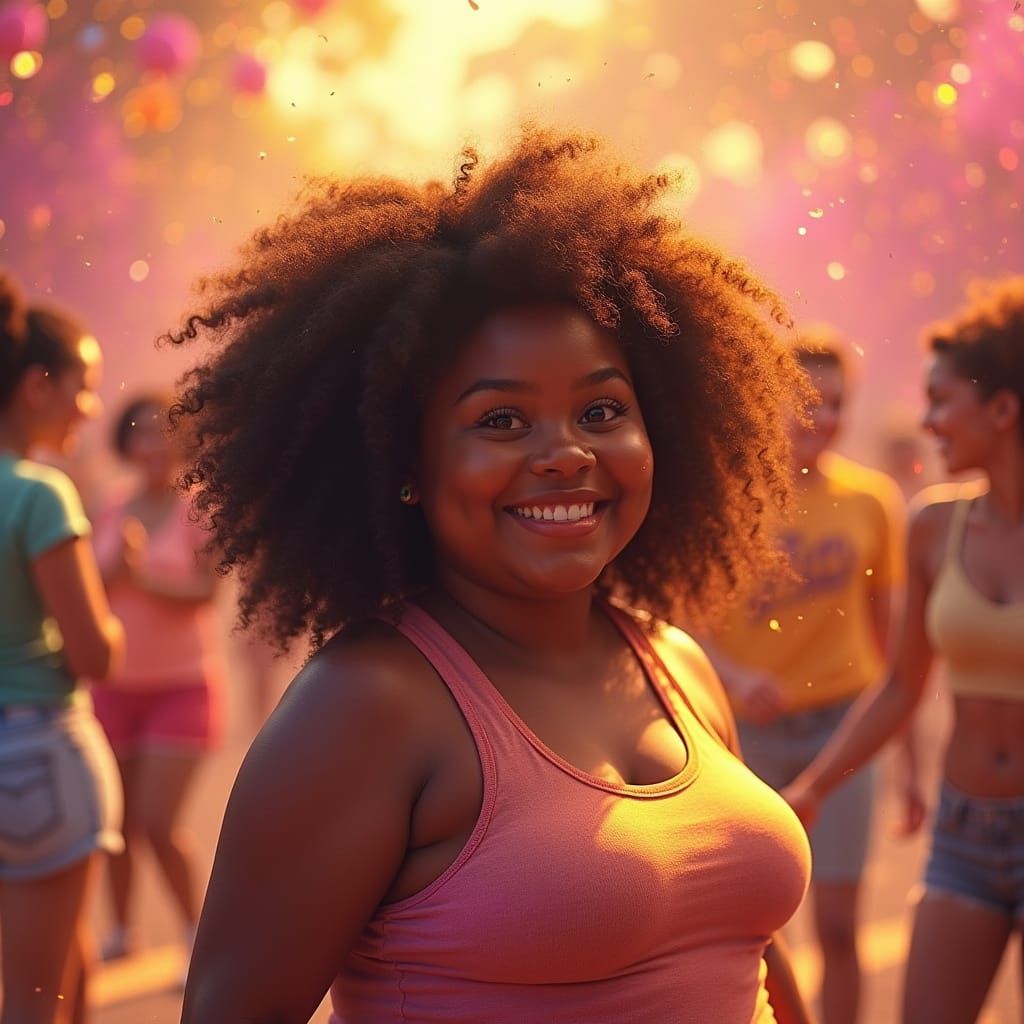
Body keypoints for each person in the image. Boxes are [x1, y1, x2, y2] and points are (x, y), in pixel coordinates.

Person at [172, 126, 815, 1024]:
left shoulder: (673, 661)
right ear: (404, 461)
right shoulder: (368, 705)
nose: (565, 455)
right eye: (502, 421)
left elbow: (745, 958)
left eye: (601, 409)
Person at [784, 277, 1024, 1024]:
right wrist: (815, 788)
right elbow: (899, 687)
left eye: (941, 402)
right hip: (965, 834)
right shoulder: (932, 527)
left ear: (1003, 410)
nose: (927, 423)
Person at [699, 328, 913, 1024]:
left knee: (841, 925)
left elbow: (895, 645)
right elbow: (684, 615)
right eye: (809, 401)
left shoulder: (872, 501)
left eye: (838, 403)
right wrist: (734, 678)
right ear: (771, 400)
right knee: (760, 931)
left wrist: (908, 759)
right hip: (748, 741)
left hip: (843, 734)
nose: (823, 418)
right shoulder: (728, 496)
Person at [0, 272, 124, 1024]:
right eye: (83, 385)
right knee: (32, 1005)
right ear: (38, 384)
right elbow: (95, 655)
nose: (90, 406)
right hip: (39, 759)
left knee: (61, 974)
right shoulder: (39, 493)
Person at [88, 394, 224, 963]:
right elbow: (87, 586)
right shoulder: (110, 507)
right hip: (113, 688)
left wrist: (138, 579)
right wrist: (116, 573)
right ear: (125, 443)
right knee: (114, 823)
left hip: (182, 688)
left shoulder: (198, 509)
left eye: (163, 433)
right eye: (140, 433)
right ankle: (121, 933)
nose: (152, 444)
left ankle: (197, 936)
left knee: (156, 822)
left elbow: (206, 591)